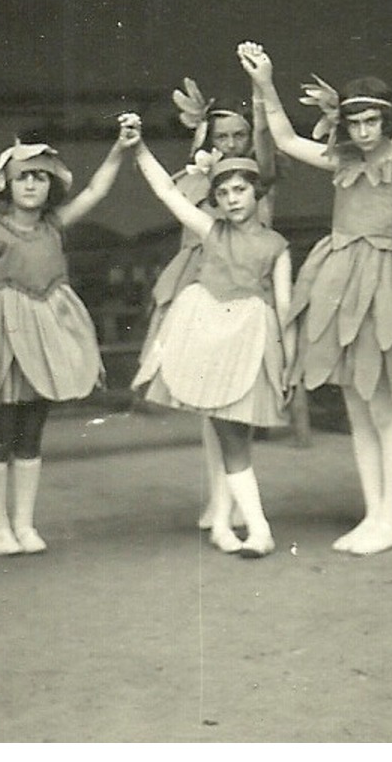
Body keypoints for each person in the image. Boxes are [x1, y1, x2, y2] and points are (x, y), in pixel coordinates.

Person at [239, 41, 392, 555]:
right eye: (356, 123)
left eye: (373, 121)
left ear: (387, 122)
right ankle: (375, 513)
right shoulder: (341, 162)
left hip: (388, 283)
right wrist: (265, 80)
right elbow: (282, 137)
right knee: (356, 403)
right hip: (340, 283)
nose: (364, 131)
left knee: (386, 404)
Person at [0, 121, 137, 556]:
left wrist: (119, 148)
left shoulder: (55, 226)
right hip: (7, 334)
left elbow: (97, 191)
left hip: (49, 331)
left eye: (40, 177)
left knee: (32, 431)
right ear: (6, 182)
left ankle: (24, 523)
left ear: (51, 186)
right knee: (1, 430)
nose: (31, 185)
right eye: (23, 176)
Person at [131, 139, 292, 557]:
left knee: (233, 435)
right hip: (206, 331)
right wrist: (140, 149)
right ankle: (242, 527)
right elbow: (168, 192)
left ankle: (249, 527)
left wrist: (287, 363)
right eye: (222, 193)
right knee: (226, 433)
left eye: (239, 190)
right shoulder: (211, 230)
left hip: (248, 335)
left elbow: (285, 307)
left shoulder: (276, 246)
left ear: (257, 192)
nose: (231, 199)